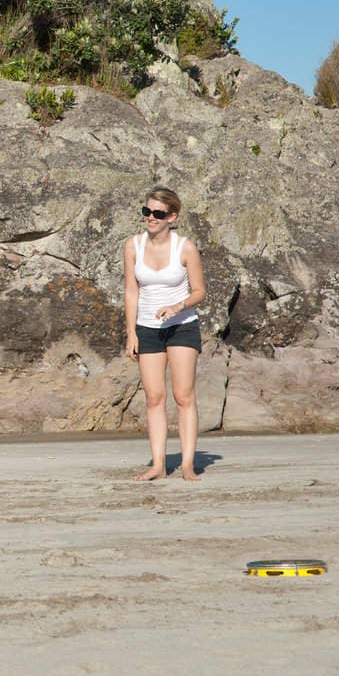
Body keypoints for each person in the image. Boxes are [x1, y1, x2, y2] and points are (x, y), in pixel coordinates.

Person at [122, 186, 206, 481]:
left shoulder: (185, 247)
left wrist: (177, 305)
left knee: (183, 396)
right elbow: (131, 291)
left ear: (172, 216)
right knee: (154, 397)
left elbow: (200, 291)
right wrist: (130, 332)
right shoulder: (133, 245)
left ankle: (186, 464)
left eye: (158, 213)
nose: (150, 218)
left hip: (182, 326)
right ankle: (158, 464)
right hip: (147, 328)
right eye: (147, 212)